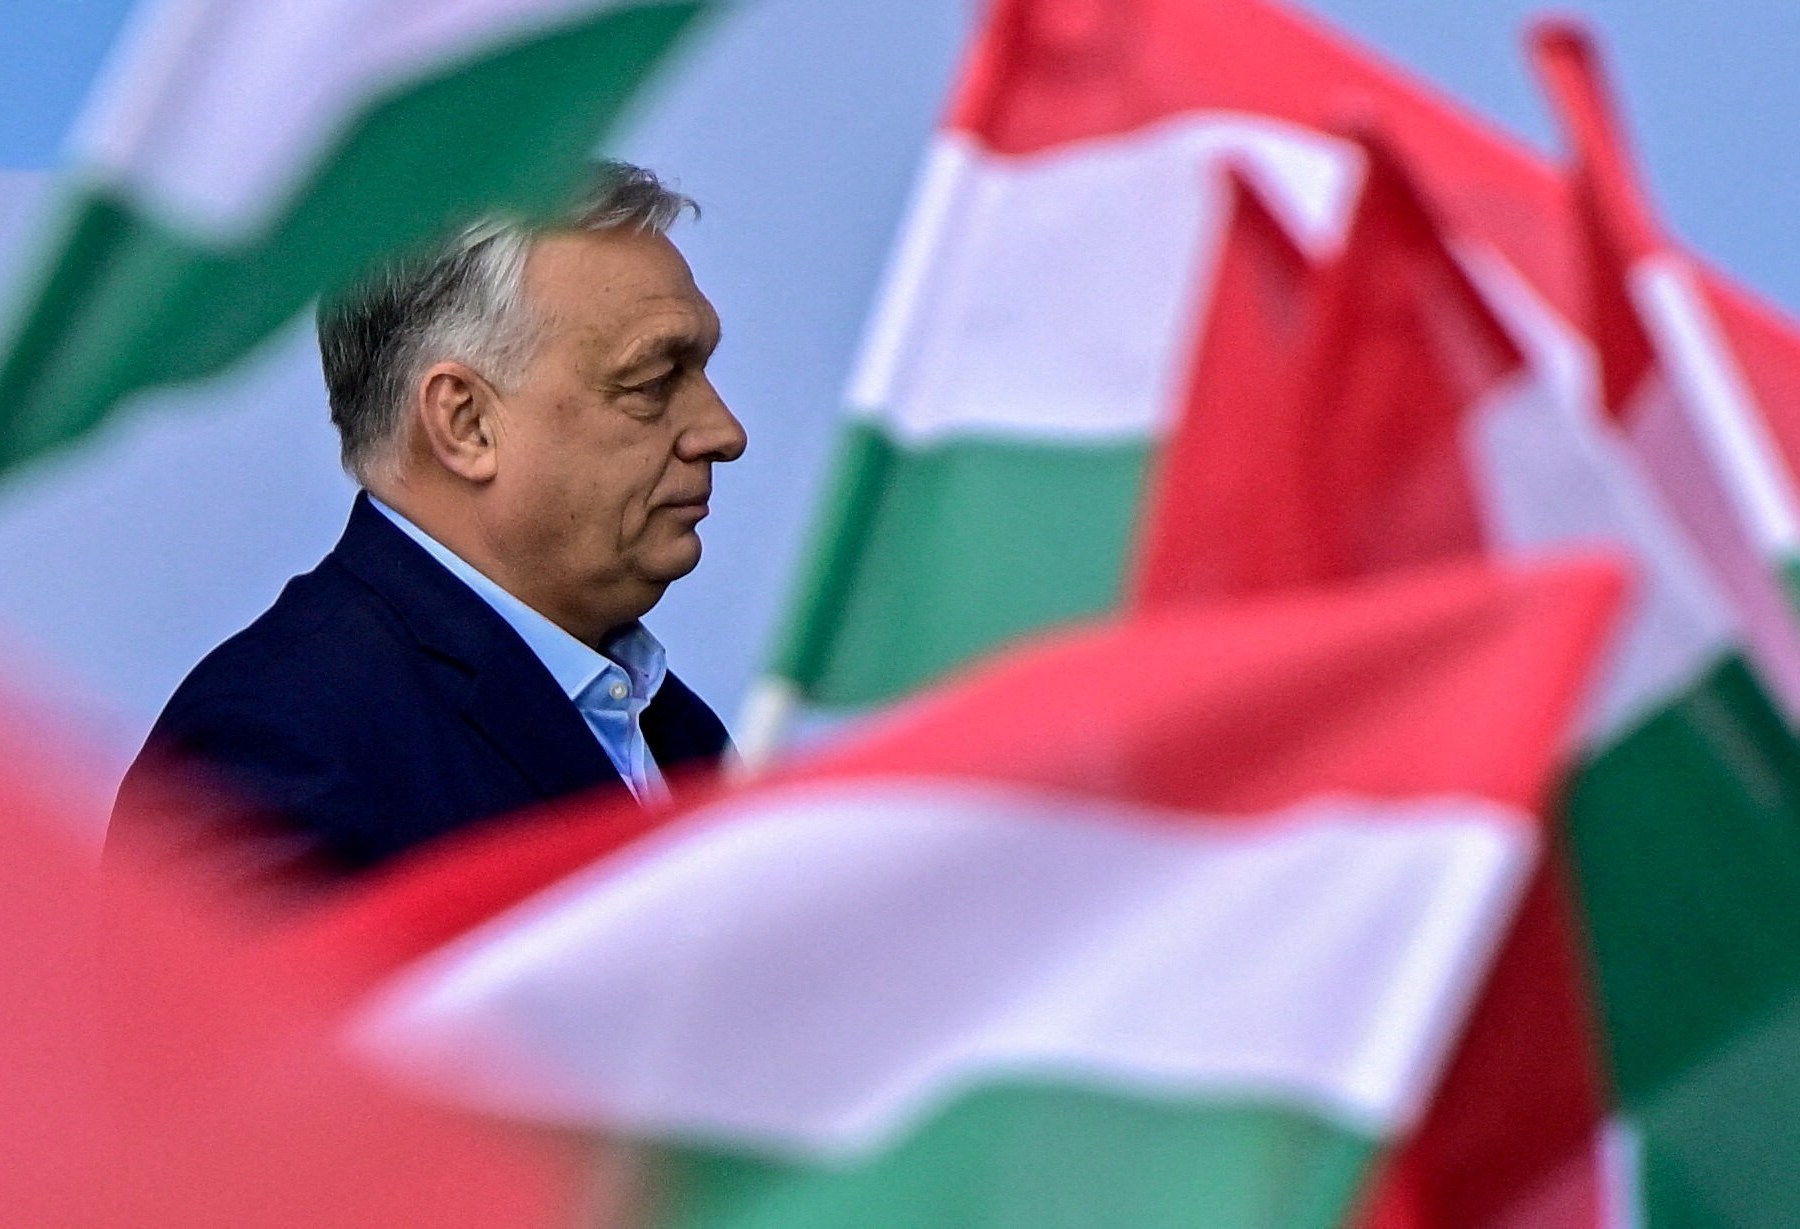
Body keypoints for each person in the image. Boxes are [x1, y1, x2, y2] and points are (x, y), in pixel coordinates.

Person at [110, 162, 748, 890]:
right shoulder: (268, 753)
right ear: (466, 423)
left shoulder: (676, 730)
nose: (724, 432)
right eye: (652, 382)